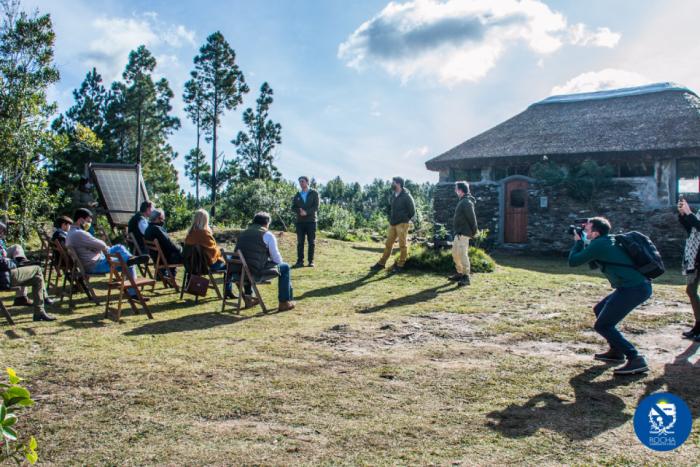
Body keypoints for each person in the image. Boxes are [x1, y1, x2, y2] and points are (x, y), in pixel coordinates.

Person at [568, 217, 652, 375]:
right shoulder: (607, 240)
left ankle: (635, 358)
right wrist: (586, 234)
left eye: (587, 229)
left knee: (602, 325)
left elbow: (574, 261)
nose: (585, 231)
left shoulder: (599, 243)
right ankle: (616, 351)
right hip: (633, 286)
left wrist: (578, 242)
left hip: (634, 288)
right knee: (599, 309)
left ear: (596, 232)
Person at [66, 208, 149, 299]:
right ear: (81, 220)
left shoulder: (71, 232)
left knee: (118, 247)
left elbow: (94, 246)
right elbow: (101, 245)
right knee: (130, 264)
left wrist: (97, 248)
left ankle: (130, 258)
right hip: (95, 265)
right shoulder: (79, 233)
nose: (89, 224)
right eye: (88, 221)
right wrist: (98, 248)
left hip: (94, 259)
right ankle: (133, 293)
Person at [234, 212, 295, 311]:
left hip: (239, 273)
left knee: (248, 264)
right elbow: (277, 259)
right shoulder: (267, 235)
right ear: (267, 223)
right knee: (285, 267)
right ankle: (284, 302)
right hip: (255, 273)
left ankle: (248, 298)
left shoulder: (243, 233)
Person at [184, 209, 233, 298]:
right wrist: (220, 250)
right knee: (230, 263)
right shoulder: (204, 234)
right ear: (205, 220)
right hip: (206, 266)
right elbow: (213, 251)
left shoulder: (190, 234)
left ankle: (228, 292)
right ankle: (228, 292)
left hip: (193, 266)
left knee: (228, 258)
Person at [371, 176, 416, 273]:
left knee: (402, 244)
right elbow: (390, 208)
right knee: (388, 243)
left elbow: (412, 211)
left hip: (402, 223)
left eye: (393, 183)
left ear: (399, 184)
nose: (392, 184)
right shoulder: (393, 196)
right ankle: (381, 263)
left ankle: (401, 265)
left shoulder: (407, 196)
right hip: (393, 223)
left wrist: (405, 218)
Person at [1, 254, 56, 321]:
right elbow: (2, 263)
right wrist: (15, 262)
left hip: (4, 277)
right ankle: (44, 301)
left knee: (37, 279)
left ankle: (39, 312)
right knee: (37, 268)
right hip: (4, 278)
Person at [677, 197, 700, 340]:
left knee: (691, 290)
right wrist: (683, 215)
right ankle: (698, 326)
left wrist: (689, 213)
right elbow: (692, 230)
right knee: (691, 290)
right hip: (695, 255)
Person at [449, 181, 478, 287]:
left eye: (456, 188)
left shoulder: (466, 202)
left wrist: (474, 231)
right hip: (459, 233)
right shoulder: (462, 201)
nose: (455, 191)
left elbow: (472, 217)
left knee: (462, 254)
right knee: (455, 253)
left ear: (460, 190)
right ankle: (460, 273)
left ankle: (466, 277)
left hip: (464, 233)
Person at [0, 221, 35, 306]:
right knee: (24, 268)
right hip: (2, 266)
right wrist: (11, 261)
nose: (2, 234)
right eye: (1, 232)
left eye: (2, 232)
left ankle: (21, 260)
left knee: (17, 247)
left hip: (4, 261)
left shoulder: (1, 240)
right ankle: (21, 297)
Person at [144, 208, 183, 277]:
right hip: (165, 259)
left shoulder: (148, 229)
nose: (163, 220)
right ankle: (173, 277)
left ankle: (169, 276)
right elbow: (170, 245)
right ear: (158, 218)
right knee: (188, 256)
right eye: (162, 218)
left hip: (157, 259)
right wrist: (181, 248)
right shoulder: (157, 229)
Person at [291, 176, 319, 268]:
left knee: (311, 242)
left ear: (307, 182)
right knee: (300, 242)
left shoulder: (314, 193)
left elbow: (316, 207)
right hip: (300, 222)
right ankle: (300, 261)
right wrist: (299, 211)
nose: (301, 183)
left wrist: (306, 212)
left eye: (302, 181)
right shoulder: (297, 195)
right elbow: (293, 207)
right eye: (300, 182)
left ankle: (311, 261)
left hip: (311, 222)